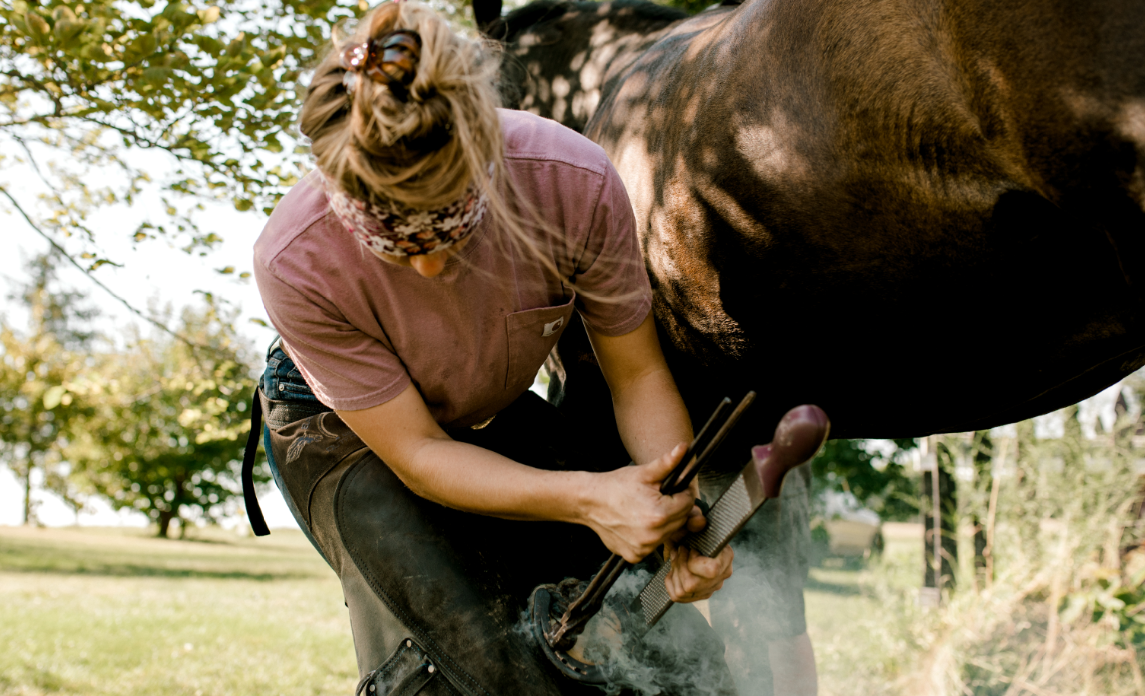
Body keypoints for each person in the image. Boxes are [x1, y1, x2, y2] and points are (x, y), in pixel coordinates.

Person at [249, 2, 736, 693]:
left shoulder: (573, 183)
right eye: (392, 245)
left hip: (487, 415)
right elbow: (418, 454)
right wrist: (591, 500)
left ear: (487, 158)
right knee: (482, 671)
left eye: (449, 230)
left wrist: (676, 516)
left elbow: (636, 377)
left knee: (671, 654)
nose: (424, 271)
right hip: (345, 435)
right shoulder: (294, 260)